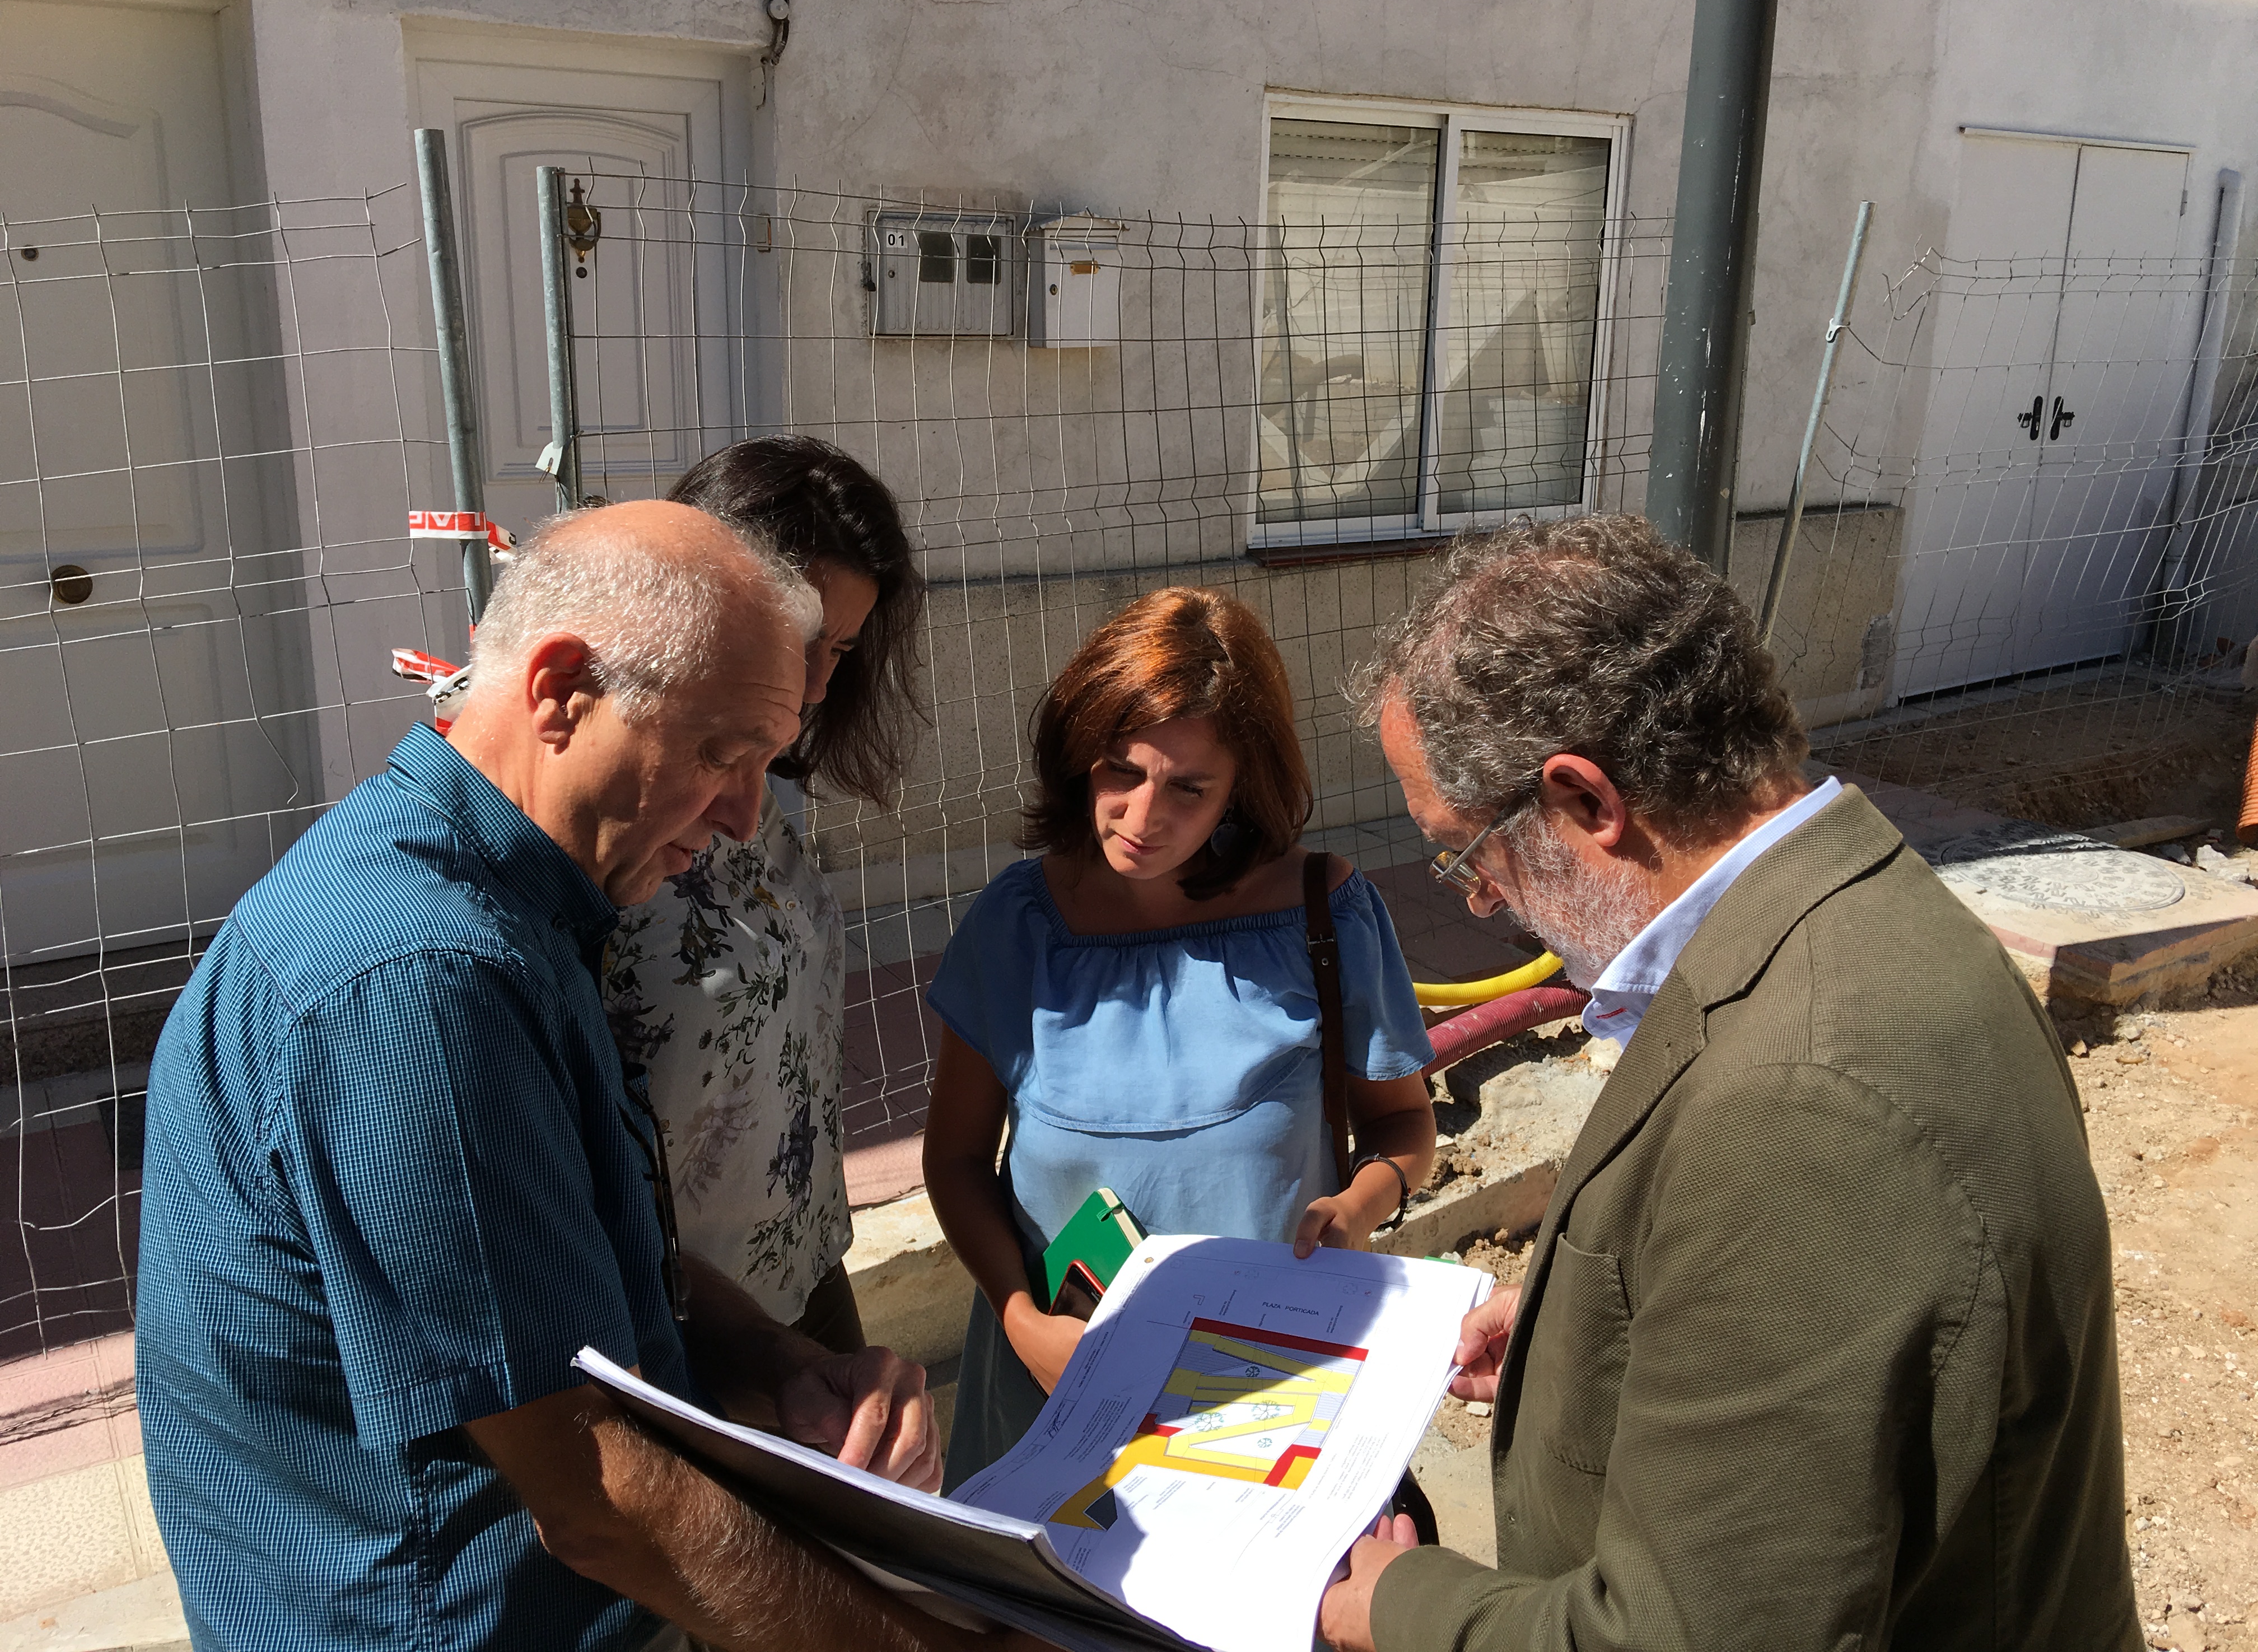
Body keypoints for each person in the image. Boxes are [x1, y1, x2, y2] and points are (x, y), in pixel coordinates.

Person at [136, 502, 1004, 1652]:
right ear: (559, 692)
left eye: (767, 762)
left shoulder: (506, 901)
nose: (746, 814)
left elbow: (567, 1267)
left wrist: (781, 1362)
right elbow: (600, 1499)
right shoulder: (421, 979)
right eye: (722, 754)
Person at [1319, 515, 2139, 1652]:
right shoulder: (1862, 908)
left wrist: (1394, 1604)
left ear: (1587, 802)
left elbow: (1689, 1635)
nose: (1480, 897)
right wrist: (1581, 1345)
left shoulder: (1802, 1099)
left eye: (1468, 850)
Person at [921, 587, 1438, 1490]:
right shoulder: (1017, 925)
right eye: (1118, 770)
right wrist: (1019, 1320)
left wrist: (1357, 1208)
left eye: (1190, 788)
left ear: (1244, 787)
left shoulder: (1327, 915)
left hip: (1266, 1383)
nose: (1141, 816)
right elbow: (958, 1159)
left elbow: (1404, 1126)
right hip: (1056, 1383)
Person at [605, 437, 924, 1356]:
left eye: (844, 649)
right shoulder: (609, 817)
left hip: (807, 1263)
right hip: (675, 1315)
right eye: (804, 638)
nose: (819, 685)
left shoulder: (754, 788)